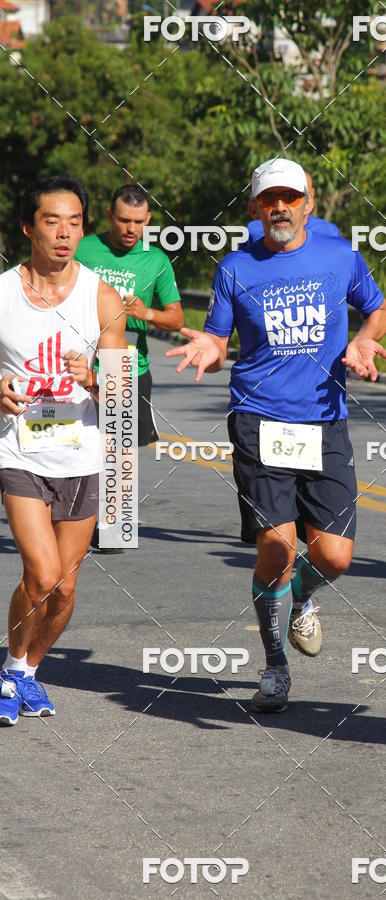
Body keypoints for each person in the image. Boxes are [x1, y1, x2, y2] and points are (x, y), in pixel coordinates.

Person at [167, 158, 386, 712]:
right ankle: (274, 665)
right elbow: (219, 342)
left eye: (291, 197)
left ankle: (301, 599)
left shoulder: (341, 257)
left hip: (324, 418)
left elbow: (379, 309)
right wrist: (209, 350)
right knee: (277, 545)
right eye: (270, 199)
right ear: (254, 209)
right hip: (259, 418)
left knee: (334, 556)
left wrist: (364, 339)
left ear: (309, 203)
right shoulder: (236, 269)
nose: (281, 207)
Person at [0, 174, 127, 726]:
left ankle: (28, 671)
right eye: (52, 221)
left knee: (65, 588)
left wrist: (96, 378)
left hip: (82, 456)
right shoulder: (3, 293)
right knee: (43, 572)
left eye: (74, 222)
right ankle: (10, 667)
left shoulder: (100, 295)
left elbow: (124, 390)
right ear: (29, 227)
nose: (64, 233)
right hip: (20, 453)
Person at [75, 184, 183, 549]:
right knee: (81, 440)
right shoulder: (83, 247)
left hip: (128, 365)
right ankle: (77, 515)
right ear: (109, 216)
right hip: (79, 362)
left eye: (138, 221)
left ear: (148, 220)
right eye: (123, 220)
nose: (130, 228)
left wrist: (147, 312)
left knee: (120, 446)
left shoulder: (156, 260)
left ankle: (112, 525)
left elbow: (176, 317)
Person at [245, 169, 341, 242]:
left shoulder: (328, 231)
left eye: (293, 195)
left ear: (311, 195)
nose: (280, 207)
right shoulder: (254, 230)